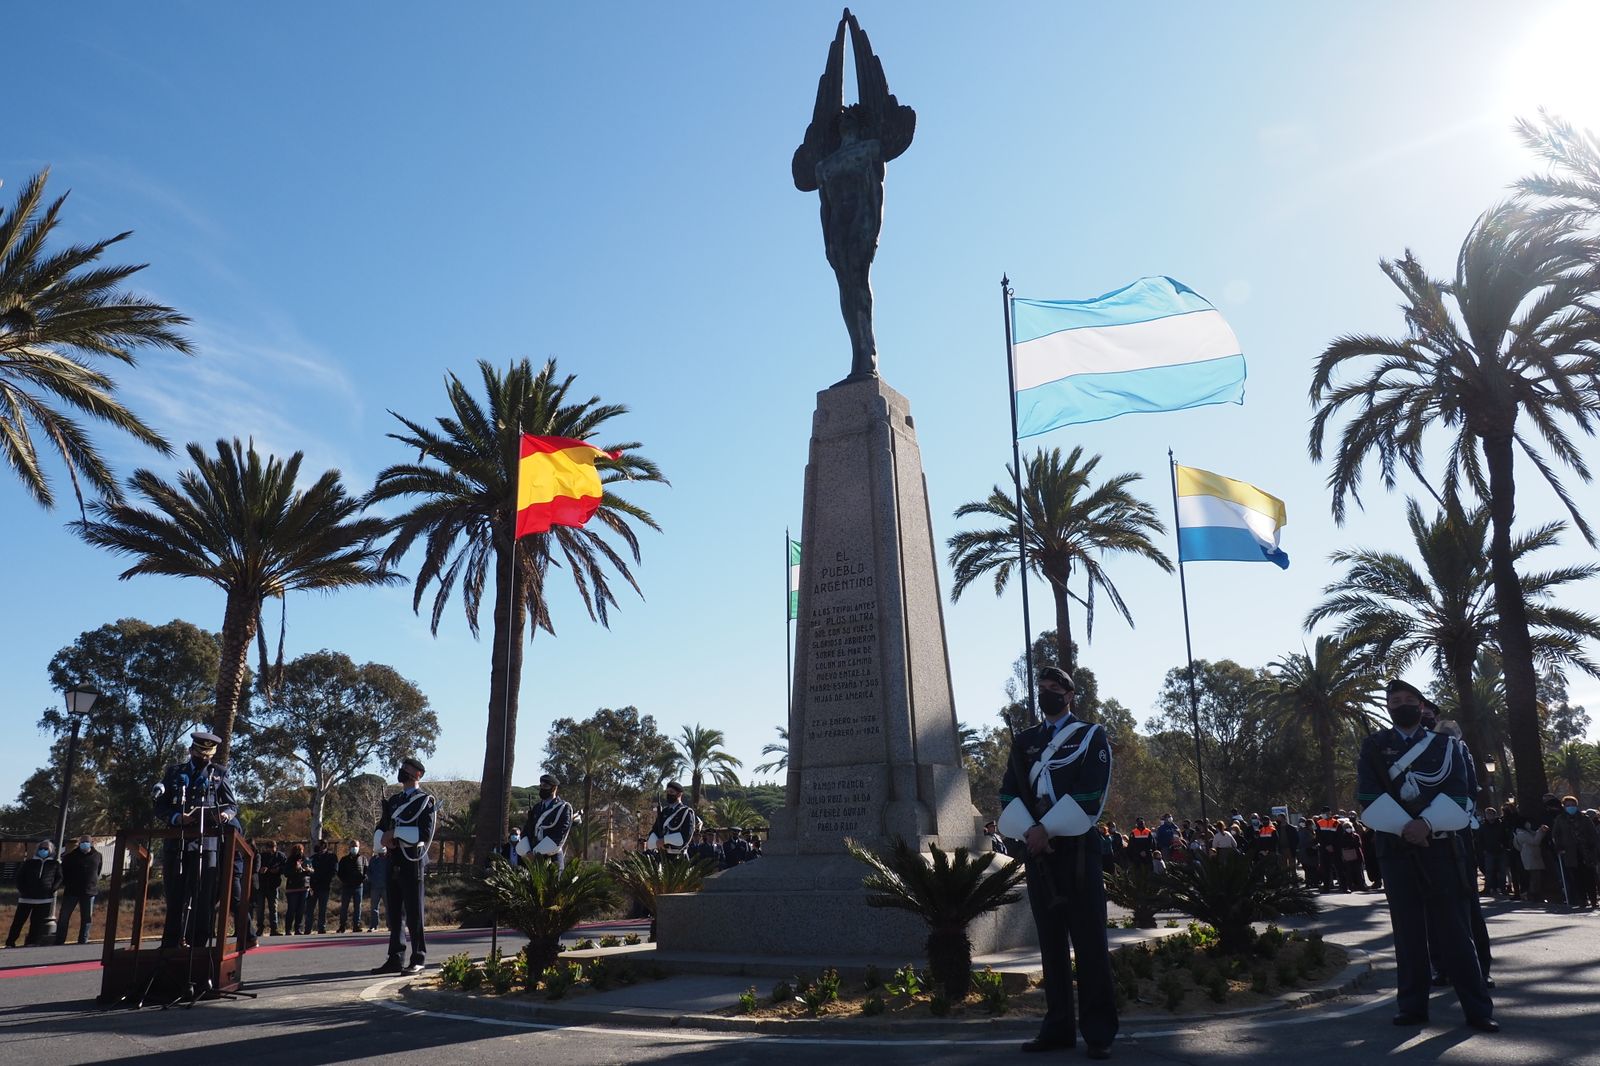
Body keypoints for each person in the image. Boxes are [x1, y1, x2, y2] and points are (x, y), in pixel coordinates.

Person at [1357, 679, 1496, 1032]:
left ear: (1421, 707)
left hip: (1442, 848)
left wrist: (1427, 824)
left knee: (1456, 932)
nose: (1401, 705)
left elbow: (1461, 792)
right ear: (1388, 707)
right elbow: (1368, 795)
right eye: (1395, 701)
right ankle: (1412, 1006)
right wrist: (1408, 827)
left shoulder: (1447, 746)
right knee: (1408, 934)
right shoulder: (1374, 746)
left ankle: (1478, 1009)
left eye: (1409, 699)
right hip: (1397, 848)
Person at [998, 665, 1117, 1059]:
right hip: (1038, 853)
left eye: (1054, 687)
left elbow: (1091, 794)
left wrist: (1047, 829)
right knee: (1051, 947)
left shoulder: (1090, 735)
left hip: (1077, 850)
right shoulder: (1025, 741)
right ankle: (1057, 1028)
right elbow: (1008, 794)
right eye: (1043, 687)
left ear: (1069, 695)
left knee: (1090, 945)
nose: (1047, 693)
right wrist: (1032, 833)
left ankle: (1098, 1033)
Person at [154, 729, 238, 948]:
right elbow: (160, 806)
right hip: (177, 843)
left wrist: (224, 815)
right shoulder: (175, 772)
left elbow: (231, 805)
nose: (204, 759)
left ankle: (199, 943)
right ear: (191, 751)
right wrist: (175, 817)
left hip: (206, 844)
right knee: (175, 896)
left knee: (203, 896)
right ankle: (170, 944)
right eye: (200, 754)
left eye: (208, 755)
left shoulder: (219, 773)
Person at [371, 756, 436, 976]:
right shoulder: (394, 800)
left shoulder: (424, 801)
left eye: (407, 768)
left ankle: (418, 958)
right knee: (394, 913)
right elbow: (382, 826)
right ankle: (395, 958)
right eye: (402, 767)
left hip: (412, 859)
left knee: (414, 912)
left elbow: (425, 834)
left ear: (418, 774)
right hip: (394, 858)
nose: (403, 771)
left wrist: (395, 833)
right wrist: (382, 840)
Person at [7, 840, 62, 947]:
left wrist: (52, 890)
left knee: (37, 922)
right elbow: (19, 878)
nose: (43, 850)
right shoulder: (29, 863)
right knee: (18, 921)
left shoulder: (54, 864)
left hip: (44, 899)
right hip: (26, 898)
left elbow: (59, 878)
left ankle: (31, 942)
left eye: (46, 849)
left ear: (51, 850)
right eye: (41, 848)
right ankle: (10, 942)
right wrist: (23, 890)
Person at [1551, 795, 1600, 909]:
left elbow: (1593, 834)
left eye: (1573, 805)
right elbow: (1556, 835)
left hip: (1586, 852)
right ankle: (1582, 900)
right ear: (1564, 806)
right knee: (1577, 878)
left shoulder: (1584, 818)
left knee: (1590, 878)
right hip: (1571, 853)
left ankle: (1593, 899)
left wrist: (1594, 848)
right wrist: (1559, 848)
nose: (1571, 807)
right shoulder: (1560, 819)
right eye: (1568, 805)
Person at [56, 836, 103, 945]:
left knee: (87, 918)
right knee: (64, 917)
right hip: (71, 891)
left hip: (89, 891)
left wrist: (92, 883)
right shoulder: (70, 856)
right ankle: (59, 940)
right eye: (82, 842)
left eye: (87, 842)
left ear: (91, 843)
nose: (84, 844)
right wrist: (67, 884)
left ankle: (83, 940)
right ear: (79, 843)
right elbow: (63, 872)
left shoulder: (97, 856)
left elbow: (98, 871)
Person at [520, 773, 574, 868]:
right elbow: (527, 830)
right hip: (532, 856)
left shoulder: (563, 808)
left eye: (545, 786)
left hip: (552, 855)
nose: (542, 788)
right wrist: (528, 851)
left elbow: (560, 833)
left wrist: (538, 852)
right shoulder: (537, 807)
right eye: (541, 786)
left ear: (554, 788)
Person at [648, 781, 699, 857]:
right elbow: (655, 830)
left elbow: (686, 836)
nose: (669, 794)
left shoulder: (685, 812)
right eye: (667, 792)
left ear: (679, 794)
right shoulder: (664, 812)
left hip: (678, 856)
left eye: (671, 792)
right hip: (663, 855)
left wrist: (664, 840)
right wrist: (656, 842)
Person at [255, 841, 285, 935]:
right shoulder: (262, 856)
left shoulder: (280, 856)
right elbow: (256, 867)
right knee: (260, 908)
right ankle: (260, 928)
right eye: (269, 847)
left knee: (273, 908)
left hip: (273, 885)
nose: (271, 849)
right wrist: (261, 870)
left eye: (272, 847)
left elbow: (285, 867)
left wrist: (278, 870)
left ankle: (274, 929)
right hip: (262, 885)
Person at [336, 841, 367, 932]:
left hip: (358, 886)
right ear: (349, 847)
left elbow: (366, 870)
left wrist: (363, 879)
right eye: (352, 846)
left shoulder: (363, 859)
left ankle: (356, 925)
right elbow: (340, 872)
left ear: (359, 847)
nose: (354, 848)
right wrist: (345, 881)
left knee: (358, 907)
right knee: (344, 906)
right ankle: (342, 926)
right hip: (347, 886)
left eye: (356, 846)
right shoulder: (344, 859)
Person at [283, 843, 311, 934]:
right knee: (291, 909)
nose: (300, 853)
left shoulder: (306, 859)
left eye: (301, 851)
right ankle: (288, 929)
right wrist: (295, 869)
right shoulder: (289, 860)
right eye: (298, 851)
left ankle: (298, 929)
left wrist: (308, 870)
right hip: (292, 888)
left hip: (303, 887)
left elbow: (311, 871)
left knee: (301, 910)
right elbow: (286, 873)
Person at [365, 847, 388, 933]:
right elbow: (369, 871)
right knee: (374, 907)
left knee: (388, 907)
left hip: (386, 887)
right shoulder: (373, 859)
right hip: (375, 887)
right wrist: (372, 880)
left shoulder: (388, 859)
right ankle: (374, 926)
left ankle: (390, 925)